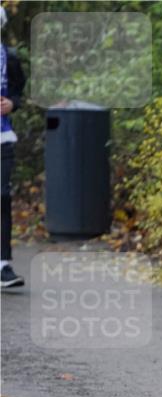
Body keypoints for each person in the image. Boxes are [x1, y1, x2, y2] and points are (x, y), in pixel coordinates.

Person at [1, 7, 25, 290]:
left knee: (2, 196)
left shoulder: (11, 58)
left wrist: (12, 104)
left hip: (2, 136)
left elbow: (18, 90)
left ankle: (3, 265)